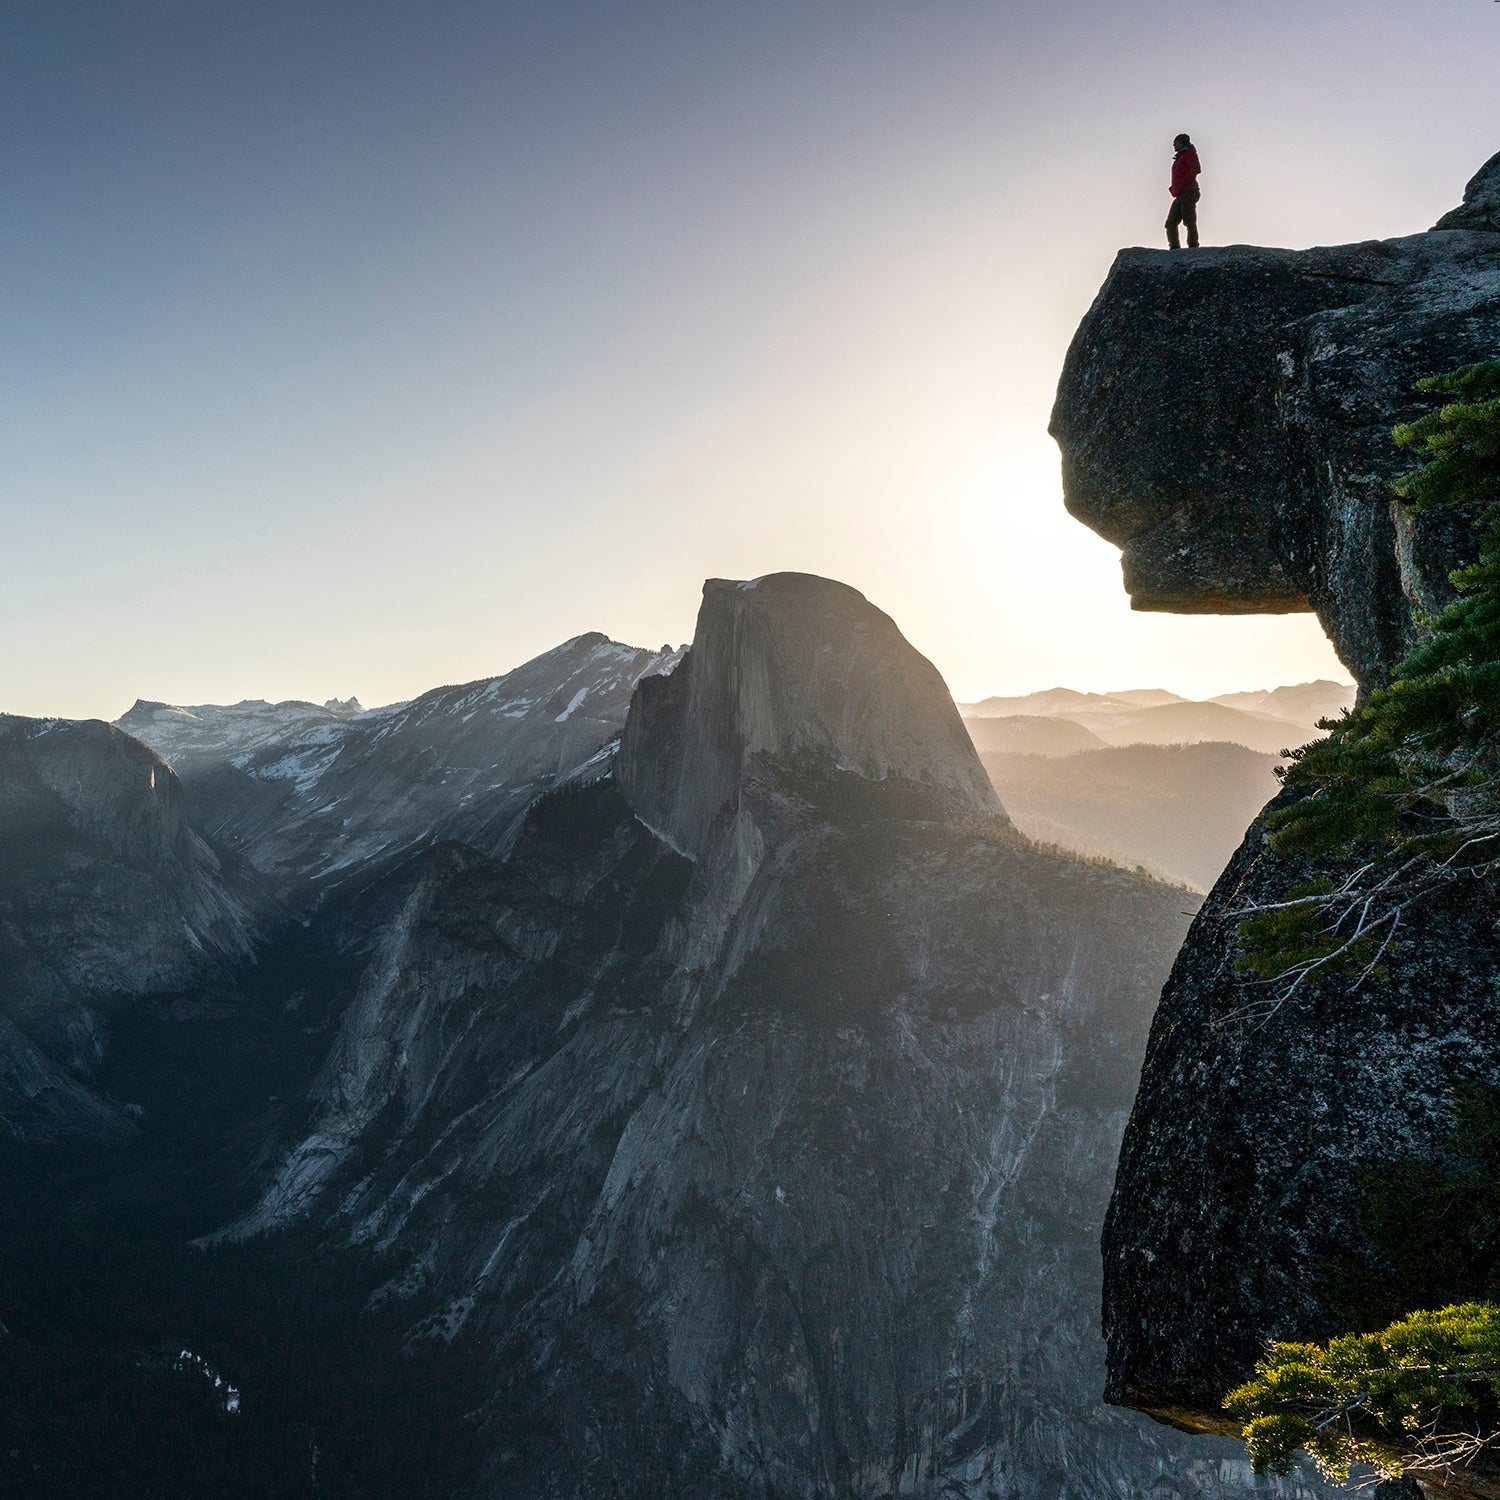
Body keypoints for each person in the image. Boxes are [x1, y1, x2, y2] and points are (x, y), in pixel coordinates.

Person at [1166, 133, 1201, 249]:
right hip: (1180, 193)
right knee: (1170, 223)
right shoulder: (1179, 157)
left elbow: (1196, 169)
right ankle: (1174, 248)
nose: (1174, 145)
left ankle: (1193, 245)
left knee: (1189, 219)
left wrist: (1182, 184)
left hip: (1189, 191)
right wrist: (1174, 188)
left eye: (1175, 143)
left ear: (1181, 143)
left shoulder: (1188, 154)